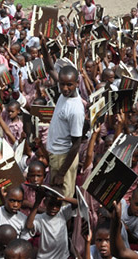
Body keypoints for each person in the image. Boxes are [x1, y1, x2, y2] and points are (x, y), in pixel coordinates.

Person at [41, 39, 85, 198]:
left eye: (69, 85)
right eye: (62, 85)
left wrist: (61, 172)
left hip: (63, 158)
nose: (65, 89)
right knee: (54, 194)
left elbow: (76, 144)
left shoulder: (75, 109)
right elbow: (50, 68)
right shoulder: (64, 92)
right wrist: (44, 48)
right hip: (56, 154)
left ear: (77, 83)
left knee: (62, 199)